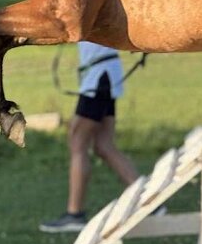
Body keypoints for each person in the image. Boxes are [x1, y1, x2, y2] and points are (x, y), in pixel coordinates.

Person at [40, 41, 143, 233]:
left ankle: (75, 214)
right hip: (103, 72)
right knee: (103, 145)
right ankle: (146, 197)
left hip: (99, 76)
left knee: (77, 141)